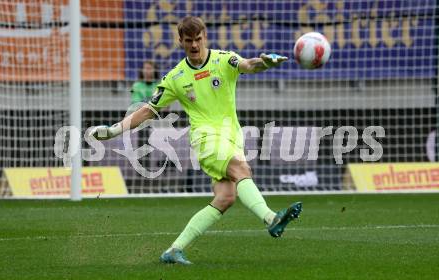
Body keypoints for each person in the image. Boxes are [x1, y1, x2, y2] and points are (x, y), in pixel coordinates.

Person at [90, 16, 302, 265]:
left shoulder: (223, 59)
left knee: (226, 197)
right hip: (205, 139)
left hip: (232, 137)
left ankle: (173, 250)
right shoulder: (175, 77)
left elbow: (248, 65)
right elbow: (147, 110)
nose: (194, 45)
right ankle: (270, 219)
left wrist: (265, 63)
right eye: (188, 41)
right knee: (241, 169)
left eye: (198, 39)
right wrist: (113, 132)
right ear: (180, 41)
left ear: (205, 37)